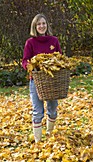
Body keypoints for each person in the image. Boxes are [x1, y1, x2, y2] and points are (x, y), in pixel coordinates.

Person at [22, 13, 62, 143]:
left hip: (53, 81)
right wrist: (32, 67)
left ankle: (50, 133)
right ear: (35, 26)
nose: (41, 26)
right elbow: (25, 61)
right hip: (36, 81)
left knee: (52, 109)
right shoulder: (30, 43)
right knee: (37, 111)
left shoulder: (54, 41)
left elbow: (60, 58)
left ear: (47, 25)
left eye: (43, 23)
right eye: (39, 24)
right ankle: (38, 142)